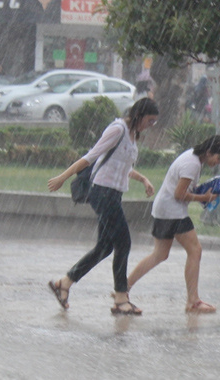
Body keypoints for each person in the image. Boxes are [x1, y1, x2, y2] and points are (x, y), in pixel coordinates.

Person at [47, 98, 159, 315]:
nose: (151, 125)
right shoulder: (118, 129)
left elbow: (121, 166)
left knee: (105, 247)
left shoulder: (132, 135)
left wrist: (143, 179)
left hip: (113, 194)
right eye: (150, 120)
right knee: (124, 243)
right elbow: (91, 157)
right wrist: (62, 177)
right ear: (139, 114)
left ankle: (64, 283)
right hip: (102, 192)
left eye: (154, 122)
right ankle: (120, 298)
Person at [127, 135, 220, 313]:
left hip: (164, 210)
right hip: (173, 211)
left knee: (159, 254)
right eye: (218, 157)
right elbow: (179, 194)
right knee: (195, 250)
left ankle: (124, 288)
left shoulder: (191, 157)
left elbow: (182, 189)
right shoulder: (193, 164)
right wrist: (204, 197)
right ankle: (193, 301)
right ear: (209, 152)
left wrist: (199, 192)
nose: (218, 162)